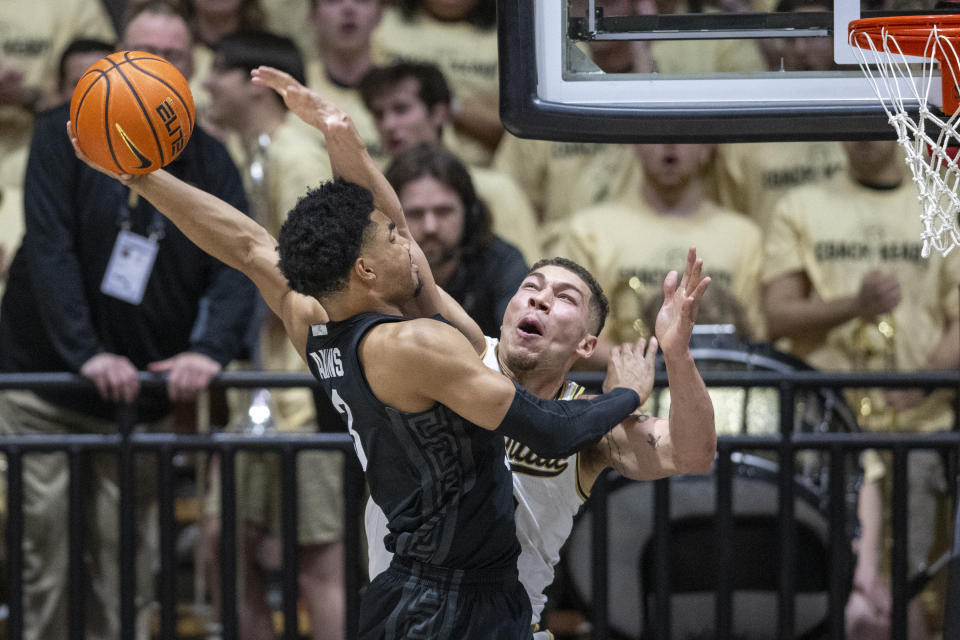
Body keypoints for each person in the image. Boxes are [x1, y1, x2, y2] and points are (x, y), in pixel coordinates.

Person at [68, 65, 652, 639]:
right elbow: (548, 428)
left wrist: (140, 177)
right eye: (396, 239)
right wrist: (629, 390)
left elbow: (248, 246)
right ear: (367, 268)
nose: (408, 239)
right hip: (450, 597)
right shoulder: (417, 342)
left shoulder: (313, 320)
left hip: (403, 584)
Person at [0, 4, 256, 640]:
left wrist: (209, 351)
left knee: (132, 572)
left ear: (190, 71)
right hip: (46, 390)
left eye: (174, 56)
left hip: (142, 400)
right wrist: (85, 353)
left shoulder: (211, 159)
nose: (159, 66)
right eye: (146, 51)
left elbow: (239, 264)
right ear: (115, 59)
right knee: (49, 565)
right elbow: (50, 248)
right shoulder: (59, 135)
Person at [365, 250, 718, 639]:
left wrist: (677, 354)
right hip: (402, 615)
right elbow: (406, 260)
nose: (540, 298)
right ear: (507, 311)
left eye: (565, 298)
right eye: (530, 287)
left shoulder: (593, 424)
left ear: (586, 346)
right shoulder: (457, 352)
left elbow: (693, 454)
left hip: (502, 627)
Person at [763, 139, 960, 639]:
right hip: (826, 440)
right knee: (824, 585)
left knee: (911, 589)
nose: (864, 134)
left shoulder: (942, 198)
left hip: (917, 433)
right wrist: (855, 304)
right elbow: (777, 314)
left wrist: (927, 380)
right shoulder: (801, 205)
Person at [200, 30, 344, 640]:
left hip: (301, 396)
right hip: (260, 389)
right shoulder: (255, 154)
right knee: (222, 551)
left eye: (217, 73)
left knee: (317, 564)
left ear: (253, 82)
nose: (205, 85)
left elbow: (318, 276)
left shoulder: (296, 158)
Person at [554, 143, 766, 364]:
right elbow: (569, 334)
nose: (670, 145)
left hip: (723, 390)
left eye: (684, 134)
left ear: (706, 148)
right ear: (635, 146)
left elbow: (754, 335)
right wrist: (649, 369)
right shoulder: (589, 228)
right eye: (657, 133)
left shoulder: (743, 235)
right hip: (624, 392)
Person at [359, 62, 541, 262]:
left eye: (401, 109)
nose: (388, 124)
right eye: (378, 114)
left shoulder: (497, 190)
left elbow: (525, 274)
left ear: (439, 114)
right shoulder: (370, 194)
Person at [384, 144, 528, 336]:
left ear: (470, 214)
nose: (430, 227)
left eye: (443, 211)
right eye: (415, 214)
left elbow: (519, 345)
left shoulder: (503, 263)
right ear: (389, 218)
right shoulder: (371, 269)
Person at [371, 0, 501, 165]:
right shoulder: (381, 25)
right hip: (388, 164)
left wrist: (447, 103)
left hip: (480, 169)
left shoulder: (508, 35)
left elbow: (510, 128)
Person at [304, 0, 387, 164]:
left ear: (380, 14)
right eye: (333, 1)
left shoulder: (405, 86)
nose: (348, 9)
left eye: (361, 1)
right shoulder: (293, 85)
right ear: (313, 15)